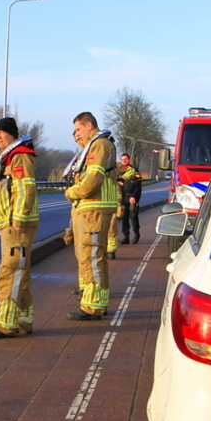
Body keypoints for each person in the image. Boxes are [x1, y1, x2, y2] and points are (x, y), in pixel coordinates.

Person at [0, 117, 39, 339]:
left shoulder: (19, 155)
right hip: (10, 222)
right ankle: (24, 319)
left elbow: (25, 188)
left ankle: (5, 323)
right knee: (19, 270)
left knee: (10, 271)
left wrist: (19, 218)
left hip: (17, 223)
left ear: (12, 134)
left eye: (2, 132)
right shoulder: (9, 157)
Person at [65, 111, 118, 321]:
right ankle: (95, 300)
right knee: (90, 255)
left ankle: (93, 306)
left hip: (94, 208)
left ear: (89, 125)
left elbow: (93, 178)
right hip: (90, 208)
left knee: (92, 256)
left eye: (78, 129)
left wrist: (72, 192)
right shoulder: (94, 145)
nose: (75, 134)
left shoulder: (100, 145)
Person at [118, 153, 142, 244]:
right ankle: (126, 236)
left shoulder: (134, 171)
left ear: (129, 160)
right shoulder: (119, 172)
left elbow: (138, 186)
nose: (124, 161)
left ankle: (136, 235)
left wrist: (134, 196)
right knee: (124, 218)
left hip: (133, 197)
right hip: (123, 197)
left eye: (126, 159)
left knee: (133, 217)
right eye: (122, 159)